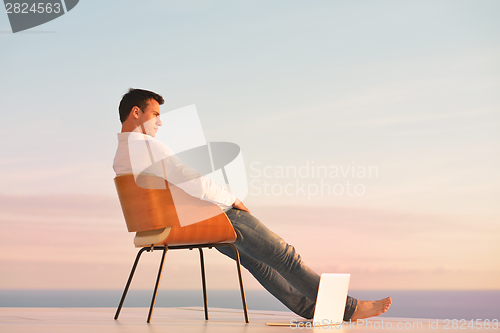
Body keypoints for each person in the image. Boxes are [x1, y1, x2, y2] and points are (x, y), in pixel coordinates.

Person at [113, 88, 392, 321]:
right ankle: (349, 308)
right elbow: (193, 181)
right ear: (136, 112)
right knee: (283, 255)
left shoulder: (121, 156)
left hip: (170, 225)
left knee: (260, 263)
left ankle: (313, 310)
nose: (160, 123)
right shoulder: (148, 147)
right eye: (155, 115)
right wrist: (233, 199)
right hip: (208, 218)